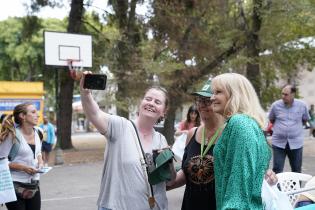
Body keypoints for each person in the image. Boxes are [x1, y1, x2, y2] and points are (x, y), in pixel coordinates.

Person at [167, 78, 276, 210]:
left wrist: (265, 173)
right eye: (199, 100)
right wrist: (165, 184)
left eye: (207, 100)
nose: (203, 104)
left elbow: (244, 170)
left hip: (220, 205)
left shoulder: (233, 131)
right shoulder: (192, 133)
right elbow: (187, 171)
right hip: (192, 204)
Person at [79, 73, 176, 210]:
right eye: (148, 99)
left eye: (157, 102)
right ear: (140, 103)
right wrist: (85, 93)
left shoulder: (161, 140)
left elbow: (168, 181)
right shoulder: (120, 127)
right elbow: (95, 113)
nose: (151, 103)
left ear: (163, 112)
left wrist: (169, 167)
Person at [211, 73, 271, 209]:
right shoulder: (247, 123)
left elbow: (240, 184)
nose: (212, 97)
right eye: (212, 93)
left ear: (235, 94)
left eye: (218, 92)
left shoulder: (240, 123)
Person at [0, 102, 43, 210]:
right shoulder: (12, 135)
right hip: (13, 186)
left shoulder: (38, 132)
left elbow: (38, 152)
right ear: (22, 116)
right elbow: (1, 161)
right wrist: (23, 168)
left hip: (33, 185)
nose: (37, 115)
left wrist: (41, 161)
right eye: (33, 112)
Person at [269, 85, 310, 173]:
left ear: (293, 94)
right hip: (279, 143)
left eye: (286, 94)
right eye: (282, 94)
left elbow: (305, 119)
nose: (283, 96)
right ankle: (277, 187)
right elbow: (271, 119)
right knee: (277, 169)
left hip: (296, 143)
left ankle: (295, 187)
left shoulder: (302, 105)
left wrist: (293, 129)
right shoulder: (275, 106)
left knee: (296, 170)